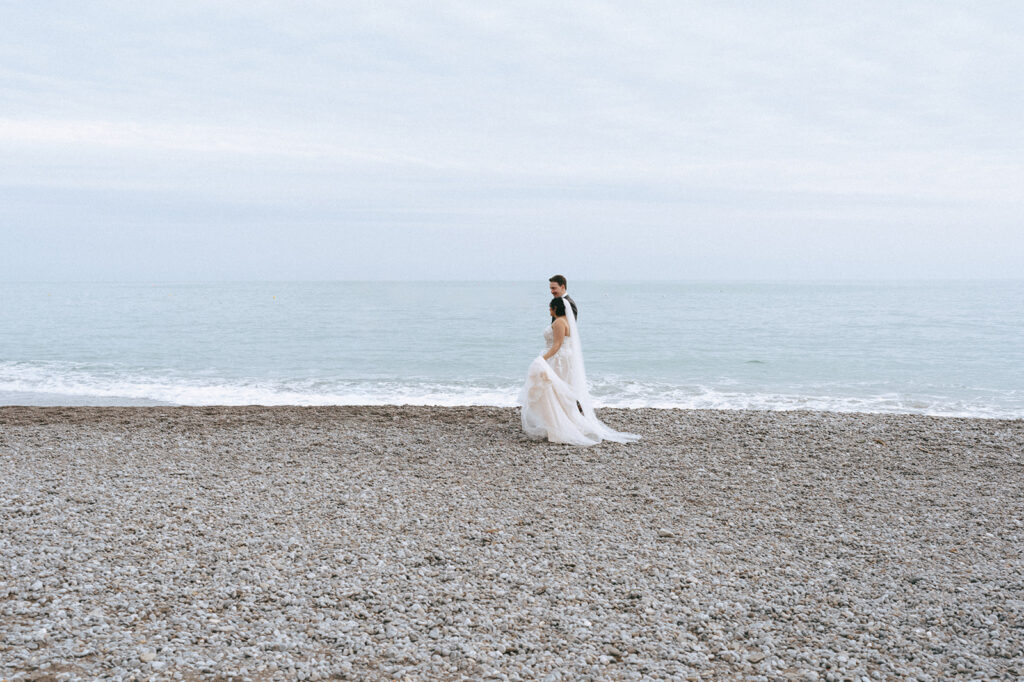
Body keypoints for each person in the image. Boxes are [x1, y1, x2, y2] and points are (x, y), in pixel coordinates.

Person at [519, 296, 640, 446]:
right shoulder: (567, 321)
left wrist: (542, 359)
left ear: (555, 308)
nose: (549, 310)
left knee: (554, 391)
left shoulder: (558, 323)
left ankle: (558, 425)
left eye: (550, 307)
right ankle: (564, 422)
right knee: (561, 391)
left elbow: (556, 345)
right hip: (565, 358)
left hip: (558, 359)